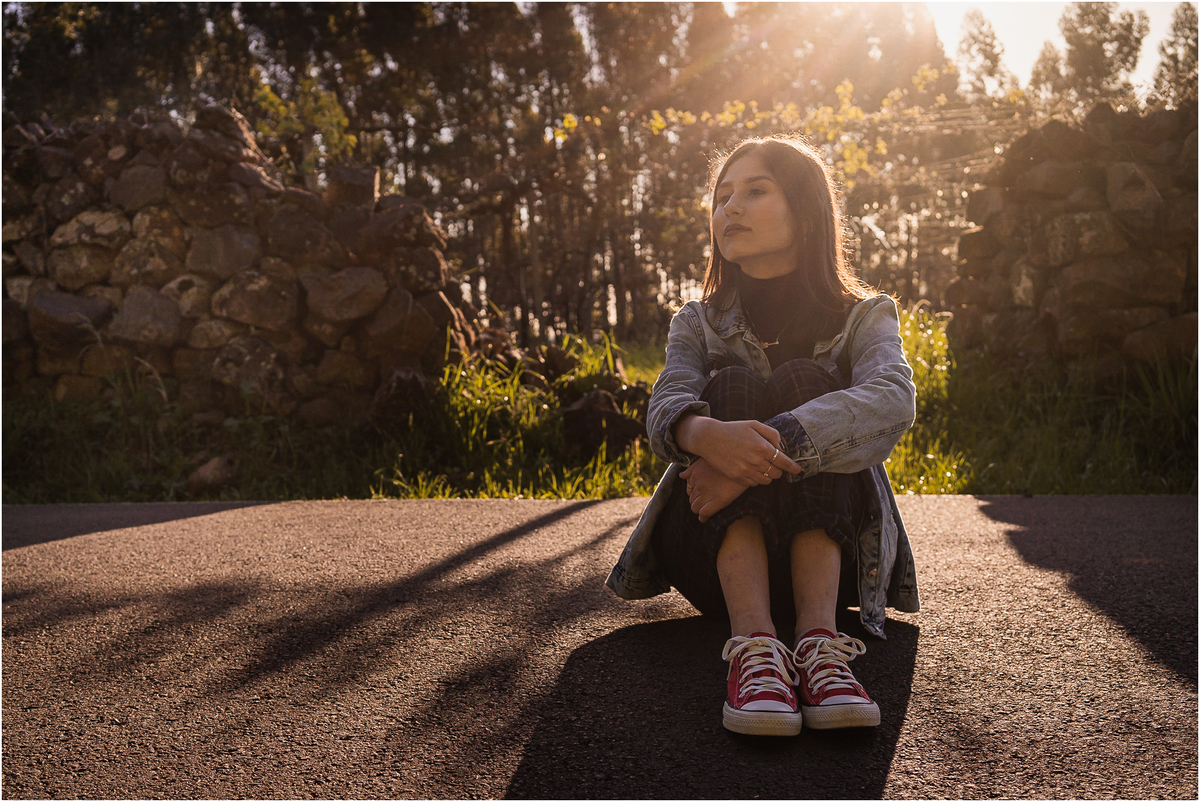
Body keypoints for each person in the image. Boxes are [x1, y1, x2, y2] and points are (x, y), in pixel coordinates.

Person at [606, 135, 920, 738]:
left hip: (836, 559)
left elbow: (891, 400)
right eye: (722, 197)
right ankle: (753, 646)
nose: (731, 209)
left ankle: (820, 646)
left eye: (754, 191)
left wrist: (747, 458)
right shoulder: (696, 322)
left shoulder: (864, 315)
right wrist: (707, 436)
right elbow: (666, 403)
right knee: (731, 386)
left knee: (808, 381)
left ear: (805, 213)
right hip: (711, 555)